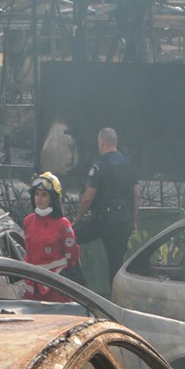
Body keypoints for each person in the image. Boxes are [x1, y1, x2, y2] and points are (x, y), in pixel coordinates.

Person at [72, 126, 138, 297]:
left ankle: (75, 287)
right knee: (116, 266)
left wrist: (77, 219)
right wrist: (133, 220)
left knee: (69, 238)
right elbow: (137, 193)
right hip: (122, 221)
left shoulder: (100, 166)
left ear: (102, 142)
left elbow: (88, 197)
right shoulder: (129, 164)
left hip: (103, 221)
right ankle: (117, 303)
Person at [21, 173, 79, 302]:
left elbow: (72, 255)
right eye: (37, 194)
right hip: (32, 285)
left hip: (55, 285)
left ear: (52, 198)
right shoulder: (28, 221)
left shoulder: (62, 224)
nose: (39, 198)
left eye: (44, 195)